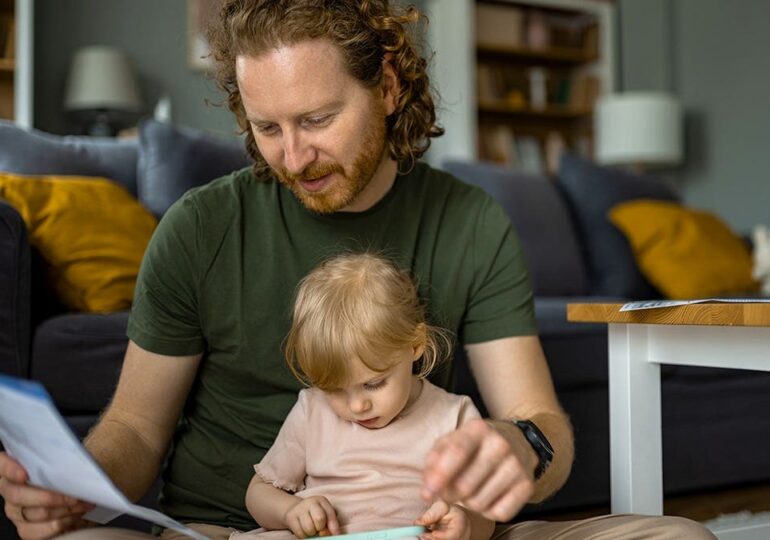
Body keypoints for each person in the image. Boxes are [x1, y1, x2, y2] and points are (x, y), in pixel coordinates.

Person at [0, 1, 715, 539]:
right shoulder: (200, 225)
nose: (292, 157)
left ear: (391, 86)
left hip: (429, 531)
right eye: (267, 128)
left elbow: (540, 427)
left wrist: (516, 449)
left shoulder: (470, 221)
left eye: (316, 120)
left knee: (678, 536)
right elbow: (133, 427)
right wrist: (75, 486)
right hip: (237, 532)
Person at [237, 252, 493, 540]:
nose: (357, 406)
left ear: (416, 345)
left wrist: (467, 524)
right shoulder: (312, 410)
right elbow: (258, 493)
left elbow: (485, 511)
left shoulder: (453, 417)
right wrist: (290, 510)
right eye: (334, 389)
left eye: (374, 384)